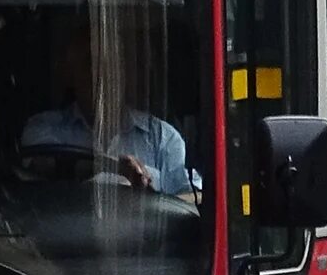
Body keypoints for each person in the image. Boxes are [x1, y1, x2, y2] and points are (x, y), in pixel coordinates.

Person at [21, 26, 196, 199]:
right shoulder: (44, 128)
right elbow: (44, 165)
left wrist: (155, 200)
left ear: (125, 72)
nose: (102, 74)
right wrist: (113, 167)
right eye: (90, 64)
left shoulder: (162, 138)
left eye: (111, 63)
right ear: (70, 75)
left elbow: (195, 199)